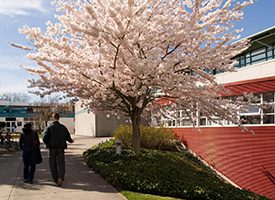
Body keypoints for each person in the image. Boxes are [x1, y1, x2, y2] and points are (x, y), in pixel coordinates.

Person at [43, 113, 74, 186]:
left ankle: (55, 179)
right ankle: (61, 177)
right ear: (59, 118)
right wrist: (70, 140)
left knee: (52, 164)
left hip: (52, 149)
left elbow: (44, 138)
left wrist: (48, 143)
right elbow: (67, 136)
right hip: (61, 148)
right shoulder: (63, 127)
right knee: (61, 163)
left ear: (53, 118)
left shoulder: (49, 127)